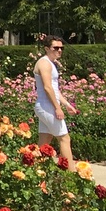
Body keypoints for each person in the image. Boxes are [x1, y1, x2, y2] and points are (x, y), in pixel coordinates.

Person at [34, 35, 76, 163]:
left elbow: (55, 89)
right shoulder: (44, 63)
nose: (59, 50)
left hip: (46, 106)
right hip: (47, 106)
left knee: (44, 142)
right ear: (47, 48)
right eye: (55, 48)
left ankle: (36, 173)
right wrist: (58, 108)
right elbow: (47, 87)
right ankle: (71, 176)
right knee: (64, 138)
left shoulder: (50, 63)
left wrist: (66, 104)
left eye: (61, 48)